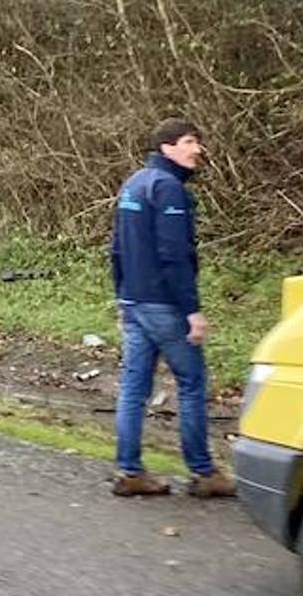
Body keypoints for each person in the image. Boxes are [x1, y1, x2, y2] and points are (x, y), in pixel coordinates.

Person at [110, 118, 235, 498]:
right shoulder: (167, 189)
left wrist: (122, 298)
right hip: (163, 305)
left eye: (196, 142)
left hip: (135, 301)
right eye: (189, 142)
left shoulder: (134, 183)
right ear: (167, 147)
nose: (196, 150)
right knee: (192, 383)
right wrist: (192, 311)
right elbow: (174, 255)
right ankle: (204, 472)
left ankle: (129, 471)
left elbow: (116, 249)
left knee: (134, 389)